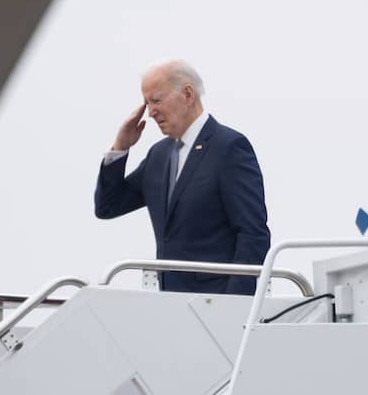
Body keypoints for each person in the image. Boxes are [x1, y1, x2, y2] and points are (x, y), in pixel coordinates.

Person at [95, 60, 270, 295]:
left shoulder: (228, 147)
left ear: (187, 94)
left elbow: (253, 233)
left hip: (216, 302)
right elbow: (108, 206)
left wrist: (235, 304)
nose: (150, 112)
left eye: (156, 100)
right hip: (172, 304)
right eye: (147, 103)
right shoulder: (159, 155)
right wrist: (120, 147)